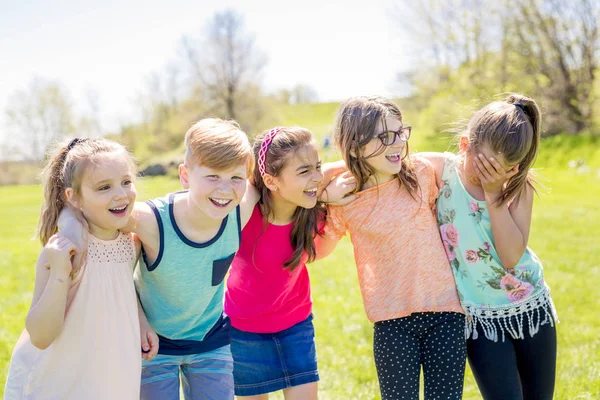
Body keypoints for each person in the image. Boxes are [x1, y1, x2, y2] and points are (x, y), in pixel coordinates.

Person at [324, 96, 466, 400]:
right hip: (391, 322)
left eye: (401, 133)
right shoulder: (346, 198)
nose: (398, 143)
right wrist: (325, 199)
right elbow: (319, 251)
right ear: (353, 146)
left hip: (445, 313)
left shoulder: (420, 174)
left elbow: (461, 164)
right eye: (385, 136)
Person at [421, 93, 558, 400]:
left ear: (514, 167)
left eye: (497, 170)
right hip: (480, 317)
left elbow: (510, 258)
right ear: (464, 144)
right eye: (481, 168)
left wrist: (495, 194)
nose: (487, 177)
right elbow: (391, 166)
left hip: (530, 307)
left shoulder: (518, 188)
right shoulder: (443, 172)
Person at [4, 138, 158, 400]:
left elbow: (119, 286)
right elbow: (40, 336)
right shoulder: (64, 251)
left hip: (112, 377)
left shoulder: (130, 243)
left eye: (126, 182)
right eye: (104, 187)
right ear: (73, 198)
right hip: (65, 381)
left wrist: (141, 319)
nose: (120, 194)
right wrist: (61, 274)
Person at [224, 126, 355, 400]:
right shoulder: (247, 212)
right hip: (244, 330)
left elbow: (315, 253)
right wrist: (321, 194)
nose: (317, 176)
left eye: (317, 166)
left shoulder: (309, 210)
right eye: (304, 171)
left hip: (295, 324)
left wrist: (325, 198)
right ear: (271, 182)